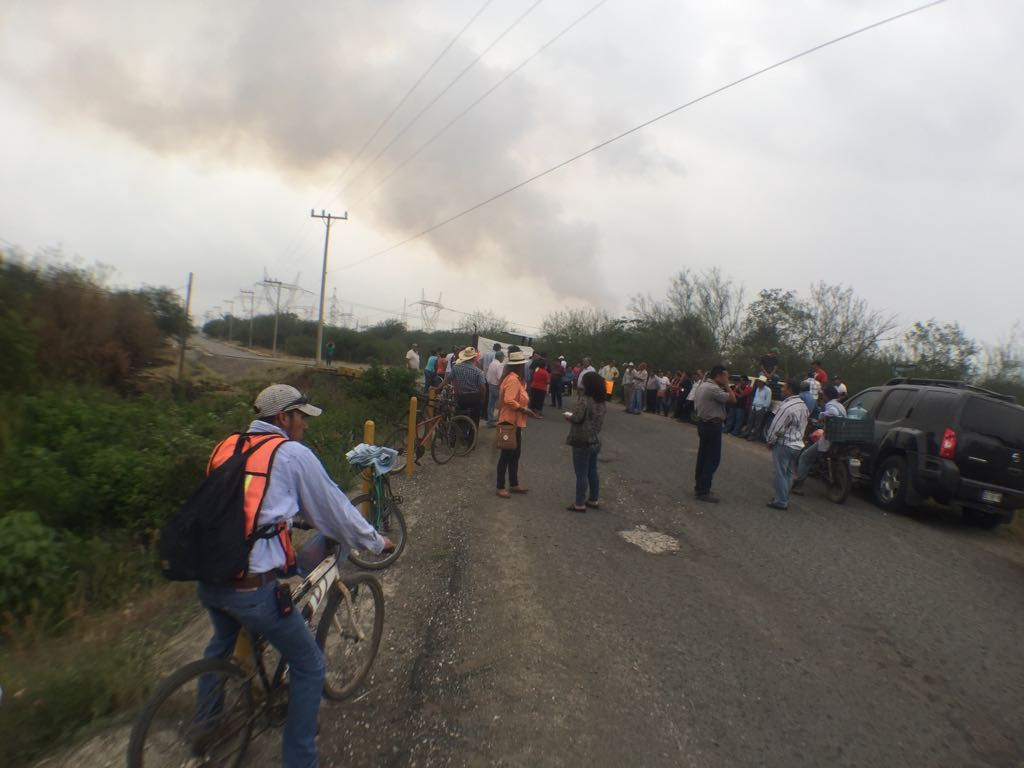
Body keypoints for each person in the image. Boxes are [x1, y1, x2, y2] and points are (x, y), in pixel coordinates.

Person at [197, 384, 392, 768]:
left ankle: (206, 724)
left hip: (208, 575)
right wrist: (375, 541)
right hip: (251, 589)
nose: (304, 424)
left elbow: (241, 506)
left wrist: (289, 515)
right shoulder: (290, 454)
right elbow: (335, 510)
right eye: (301, 416)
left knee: (219, 642)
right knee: (310, 665)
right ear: (283, 418)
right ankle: (300, 760)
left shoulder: (228, 446)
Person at [496, 348, 537, 498]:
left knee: (515, 454)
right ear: (518, 366)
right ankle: (500, 486)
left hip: (515, 421)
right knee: (506, 455)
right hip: (509, 421)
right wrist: (523, 409)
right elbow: (508, 400)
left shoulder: (515, 379)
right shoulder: (513, 379)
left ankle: (514, 483)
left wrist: (524, 409)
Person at [565, 371, 607, 512]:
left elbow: (577, 417)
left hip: (581, 439)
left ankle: (579, 503)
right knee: (592, 471)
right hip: (594, 439)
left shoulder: (584, 399)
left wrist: (569, 416)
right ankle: (593, 499)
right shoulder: (601, 402)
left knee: (581, 473)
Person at [792, 385, 847, 494]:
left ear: (826, 395)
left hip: (829, 439)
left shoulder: (830, 404)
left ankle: (799, 484)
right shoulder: (841, 405)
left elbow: (833, 413)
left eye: (823, 394)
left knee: (805, 457)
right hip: (840, 437)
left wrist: (822, 415)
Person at [693, 365, 736, 502]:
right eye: (726, 376)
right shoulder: (713, 389)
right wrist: (728, 386)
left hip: (703, 423)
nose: (727, 379)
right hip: (712, 425)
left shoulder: (704, 385)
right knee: (712, 459)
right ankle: (703, 490)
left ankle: (700, 486)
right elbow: (733, 400)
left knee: (703, 457)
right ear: (719, 376)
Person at [765, 379, 809, 510]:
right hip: (797, 444)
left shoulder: (786, 407)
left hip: (784, 444)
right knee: (788, 473)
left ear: (790, 389)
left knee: (780, 473)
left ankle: (781, 501)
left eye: (784, 387)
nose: (782, 390)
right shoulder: (803, 406)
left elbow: (776, 427)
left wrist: (770, 441)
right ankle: (783, 497)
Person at [451, 346, 486, 428]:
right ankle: (472, 438)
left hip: (462, 397)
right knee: (475, 419)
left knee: (459, 418)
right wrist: (482, 399)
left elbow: (447, 379)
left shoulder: (456, 367)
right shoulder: (478, 371)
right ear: (474, 358)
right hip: (475, 398)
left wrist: (438, 388)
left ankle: (459, 435)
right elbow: (483, 388)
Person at [742, 375, 772, 441]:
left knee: (757, 423)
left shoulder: (768, 390)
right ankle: (747, 433)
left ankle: (754, 436)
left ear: (763, 382)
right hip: (754, 406)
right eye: (758, 382)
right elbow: (755, 397)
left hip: (761, 408)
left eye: (760, 382)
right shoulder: (757, 388)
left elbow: (768, 400)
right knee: (750, 421)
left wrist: (764, 408)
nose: (758, 383)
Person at [485, 350, 505, 427]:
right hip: (496, 386)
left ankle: (490, 420)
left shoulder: (492, 363)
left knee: (491, 404)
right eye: (503, 357)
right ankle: (501, 420)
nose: (503, 359)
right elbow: (500, 377)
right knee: (503, 403)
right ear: (500, 357)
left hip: (490, 385)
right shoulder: (499, 365)